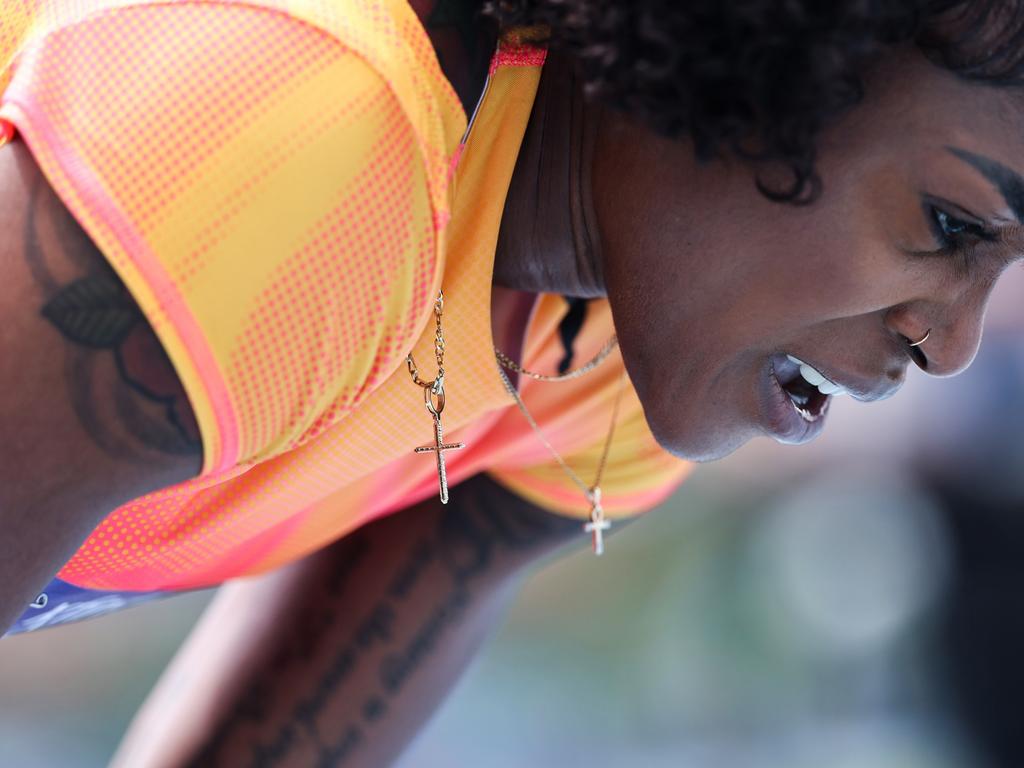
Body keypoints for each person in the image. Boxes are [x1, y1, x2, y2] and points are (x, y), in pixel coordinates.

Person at [1, 0, 1022, 764]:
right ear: (775, 53)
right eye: (949, 226)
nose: (953, 347)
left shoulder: (616, 349)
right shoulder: (307, 152)